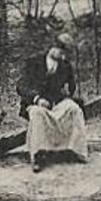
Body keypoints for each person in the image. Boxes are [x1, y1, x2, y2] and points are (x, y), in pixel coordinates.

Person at [16, 33, 87, 172]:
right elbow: (21, 86)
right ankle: (38, 155)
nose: (62, 56)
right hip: (35, 103)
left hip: (56, 102)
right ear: (52, 48)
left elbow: (71, 87)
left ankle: (76, 149)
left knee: (74, 109)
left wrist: (68, 92)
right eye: (60, 52)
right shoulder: (34, 62)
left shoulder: (65, 65)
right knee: (38, 114)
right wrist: (36, 98)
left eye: (64, 54)